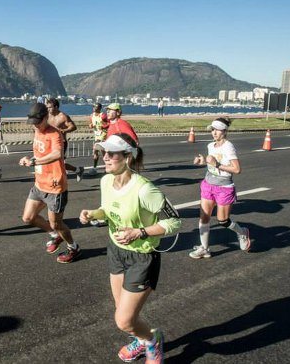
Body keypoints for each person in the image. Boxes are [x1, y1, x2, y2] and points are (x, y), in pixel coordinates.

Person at [79, 133, 181, 363]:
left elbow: (175, 222)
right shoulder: (106, 181)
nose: (104, 157)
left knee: (124, 321)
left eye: (111, 153)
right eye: (104, 152)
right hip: (116, 251)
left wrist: (139, 232)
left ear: (127, 157)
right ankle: (143, 340)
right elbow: (107, 209)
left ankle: (153, 342)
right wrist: (93, 214)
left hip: (142, 257)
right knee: (123, 313)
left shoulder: (145, 189)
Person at [19, 103, 81, 263]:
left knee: (57, 225)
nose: (35, 125)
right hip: (39, 185)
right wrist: (29, 159)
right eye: (32, 122)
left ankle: (73, 247)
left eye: (38, 122)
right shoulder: (36, 130)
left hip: (55, 187)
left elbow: (57, 154)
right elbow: (40, 152)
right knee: (28, 218)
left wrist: (36, 162)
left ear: (46, 118)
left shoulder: (54, 133)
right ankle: (55, 236)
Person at [189, 117, 251, 259]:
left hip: (224, 186)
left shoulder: (228, 146)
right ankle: (204, 248)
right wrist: (203, 161)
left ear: (224, 131)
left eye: (217, 130)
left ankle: (242, 232)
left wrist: (216, 164)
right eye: (212, 129)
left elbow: (236, 169)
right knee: (204, 217)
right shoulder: (211, 146)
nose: (214, 132)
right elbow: (212, 163)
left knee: (223, 220)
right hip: (208, 183)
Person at [45, 98, 84, 182]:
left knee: (57, 162)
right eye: (47, 107)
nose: (48, 109)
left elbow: (73, 127)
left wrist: (64, 130)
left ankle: (56, 181)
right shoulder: (47, 115)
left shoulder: (63, 116)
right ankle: (77, 170)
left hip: (61, 142)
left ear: (56, 107)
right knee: (53, 162)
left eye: (50, 107)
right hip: (49, 142)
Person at [89, 102, 109, 175]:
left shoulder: (103, 116)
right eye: (93, 106)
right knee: (96, 151)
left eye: (96, 107)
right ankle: (95, 168)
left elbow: (110, 123)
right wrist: (90, 125)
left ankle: (105, 168)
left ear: (100, 108)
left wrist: (104, 127)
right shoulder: (91, 116)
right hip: (97, 135)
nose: (94, 108)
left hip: (103, 134)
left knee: (100, 151)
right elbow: (91, 123)